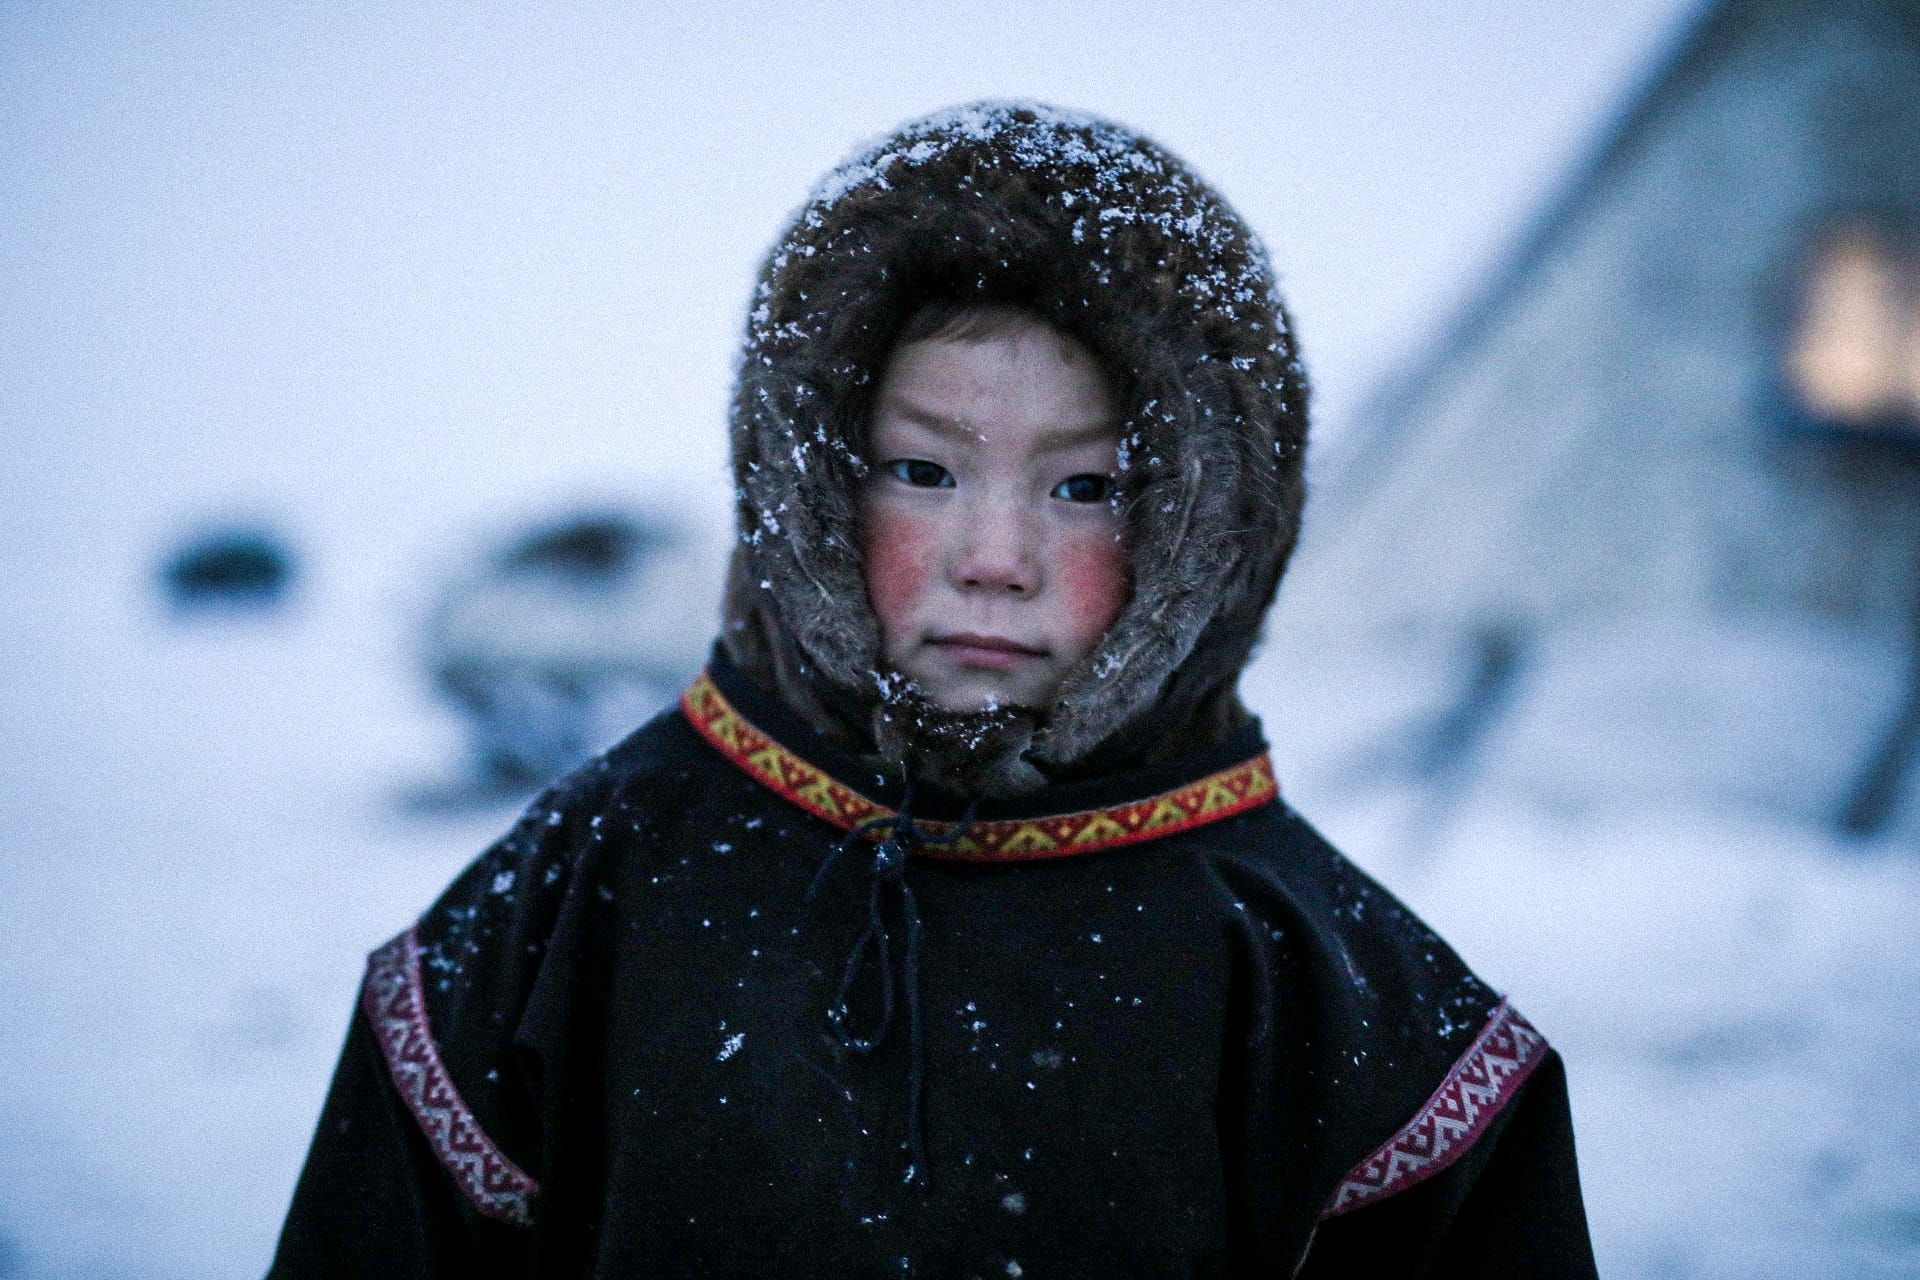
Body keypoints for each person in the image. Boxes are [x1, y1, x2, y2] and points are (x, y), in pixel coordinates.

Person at [272, 102, 1598, 1277]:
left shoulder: (1338, 1000)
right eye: (926, 471)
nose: (995, 560)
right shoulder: (583, 894)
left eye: (1086, 488)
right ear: (814, 473)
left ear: (1206, 520)